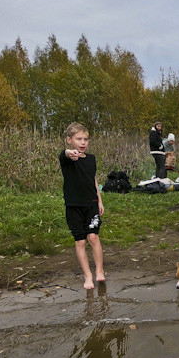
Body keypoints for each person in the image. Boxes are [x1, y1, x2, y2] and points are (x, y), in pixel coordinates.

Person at [60, 122, 105, 290]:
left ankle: (100, 270)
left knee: (93, 237)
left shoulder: (91, 159)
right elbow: (65, 154)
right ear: (69, 140)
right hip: (73, 206)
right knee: (80, 242)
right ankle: (88, 275)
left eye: (86, 139)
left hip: (91, 204)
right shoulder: (67, 159)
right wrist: (70, 153)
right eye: (79, 139)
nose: (83, 142)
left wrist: (99, 200)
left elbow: (93, 180)